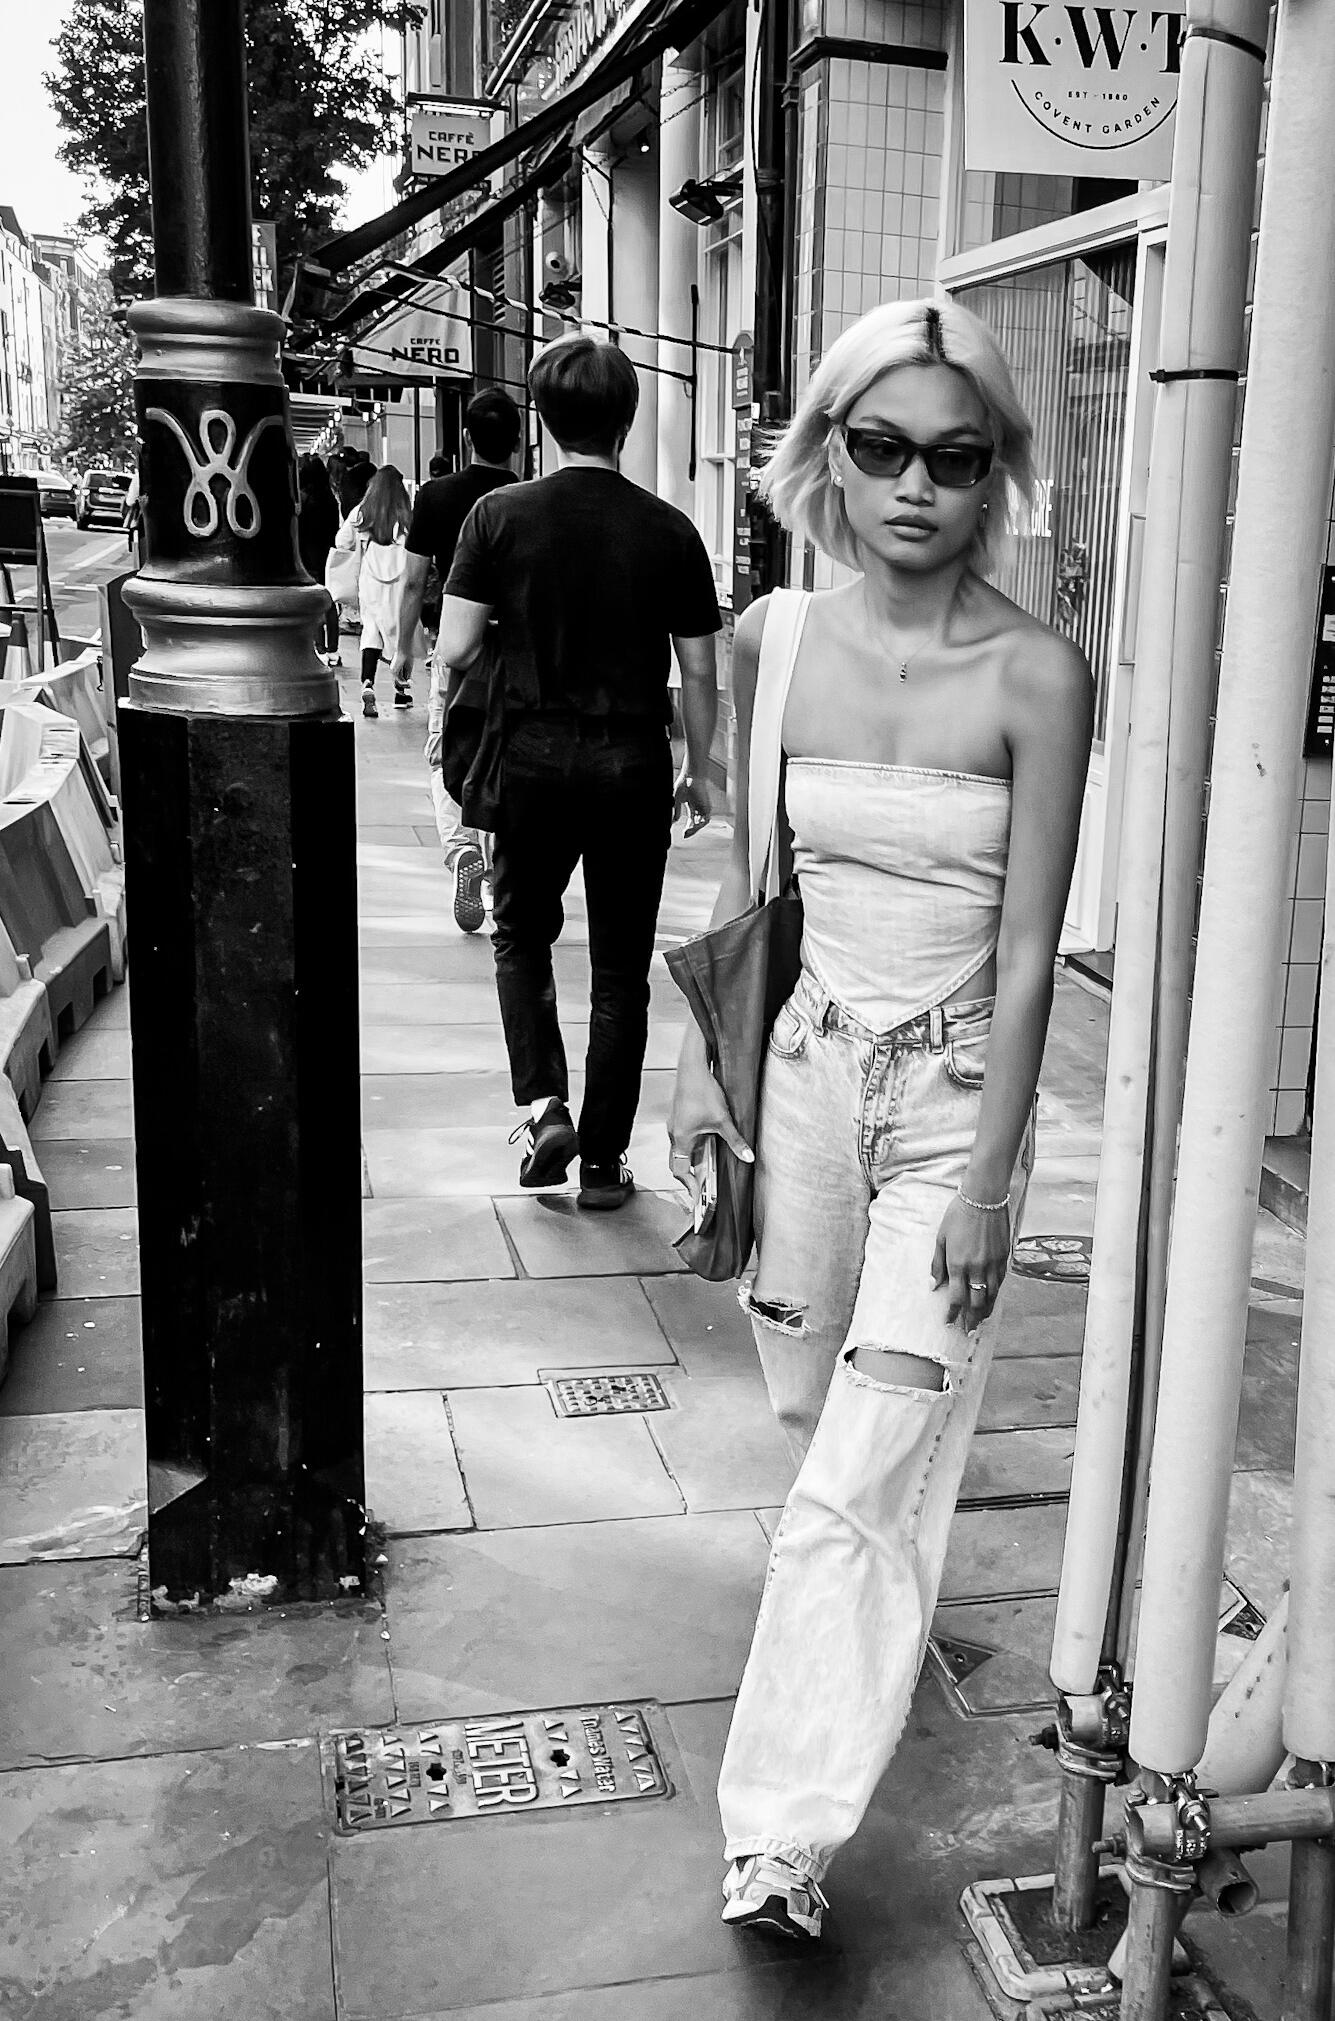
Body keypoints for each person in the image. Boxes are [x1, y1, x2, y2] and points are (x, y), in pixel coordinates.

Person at [667, 298, 1093, 1939]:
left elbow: (1032, 949)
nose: (916, 485)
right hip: (803, 1079)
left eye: (955, 457)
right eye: (882, 447)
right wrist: (702, 1073)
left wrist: (989, 1181)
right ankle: (865, 1638)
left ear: (996, 474)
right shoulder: (771, 641)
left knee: (856, 1473)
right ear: (828, 455)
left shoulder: (1037, 673)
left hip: (952, 1105)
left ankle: (778, 1836)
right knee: (819, 1419)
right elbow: (744, 882)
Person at [439, 335, 721, 1210]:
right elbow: (699, 670)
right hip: (630, 760)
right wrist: (697, 768)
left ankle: (544, 1106)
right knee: (620, 968)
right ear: (626, 420)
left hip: (527, 756)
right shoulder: (669, 530)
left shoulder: (497, 516)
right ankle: (602, 1160)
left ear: (544, 418)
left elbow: (454, 645)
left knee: (521, 933)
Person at [393, 390, 523, 933]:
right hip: (517, 650)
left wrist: (402, 647)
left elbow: (413, 580)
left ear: (466, 438)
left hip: (455, 643)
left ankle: (461, 847)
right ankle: (501, 865)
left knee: (447, 751)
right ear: (518, 443)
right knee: (508, 753)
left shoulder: (437, 495)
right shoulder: (527, 498)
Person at [333, 464, 421, 719]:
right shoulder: (406, 514)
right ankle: (401, 691)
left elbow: (341, 541)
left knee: (371, 631)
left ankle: (367, 683)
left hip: (370, 580)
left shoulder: (362, 512)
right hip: (400, 580)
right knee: (402, 632)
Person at [297, 453, 342, 667]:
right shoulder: (330, 499)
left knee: (314, 601)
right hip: (328, 555)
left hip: (308, 556)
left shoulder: (304, 499)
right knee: (329, 602)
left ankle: (319, 647)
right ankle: (333, 649)